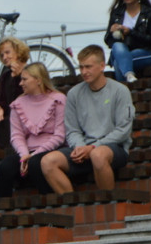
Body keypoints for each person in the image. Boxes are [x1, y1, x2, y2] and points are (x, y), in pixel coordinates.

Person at [40, 45, 136, 194]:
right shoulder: (74, 93)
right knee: (47, 162)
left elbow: (123, 131)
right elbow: (72, 129)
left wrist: (92, 148)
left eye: (88, 67)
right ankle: (73, 207)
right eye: (81, 67)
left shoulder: (120, 91)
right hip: (83, 148)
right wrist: (79, 147)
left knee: (97, 155)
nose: (84, 72)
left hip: (113, 148)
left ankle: (108, 205)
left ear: (102, 66)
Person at [0, 62, 67, 198]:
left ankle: (49, 206)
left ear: (38, 80)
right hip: (27, 152)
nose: (20, 83)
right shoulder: (18, 103)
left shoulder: (58, 99)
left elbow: (60, 135)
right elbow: (16, 136)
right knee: (5, 167)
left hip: (51, 150)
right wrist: (24, 156)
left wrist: (33, 156)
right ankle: (2, 211)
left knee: (36, 164)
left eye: (24, 79)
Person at [104, 0, 151, 83]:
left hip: (146, 52)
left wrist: (130, 32)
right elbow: (107, 40)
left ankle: (125, 91)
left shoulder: (149, 12)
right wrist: (113, 33)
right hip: (123, 51)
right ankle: (129, 75)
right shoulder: (117, 13)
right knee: (117, 47)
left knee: (119, 62)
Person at [0, 37, 31, 150]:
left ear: (18, 51)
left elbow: (31, 95)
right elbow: (3, 99)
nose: (5, 57)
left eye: (7, 52)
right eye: (2, 55)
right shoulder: (5, 76)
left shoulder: (31, 71)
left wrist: (20, 76)